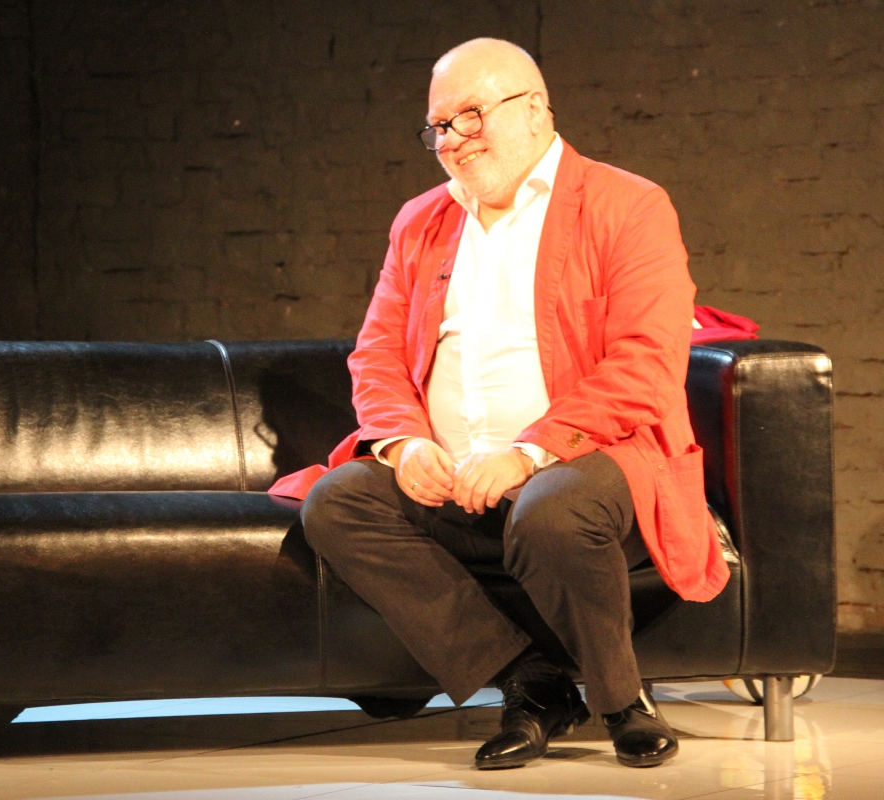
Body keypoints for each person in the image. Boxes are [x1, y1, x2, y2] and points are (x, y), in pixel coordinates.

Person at [294, 38, 731, 770]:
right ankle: (530, 684)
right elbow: (376, 355)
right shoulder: (420, 221)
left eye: (471, 115)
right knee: (338, 502)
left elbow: (645, 363)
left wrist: (529, 453)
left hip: (591, 463)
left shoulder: (627, 204)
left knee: (550, 509)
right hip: (455, 478)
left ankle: (622, 701)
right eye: (439, 125)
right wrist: (404, 443)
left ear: (534, 110)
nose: (453, 139)